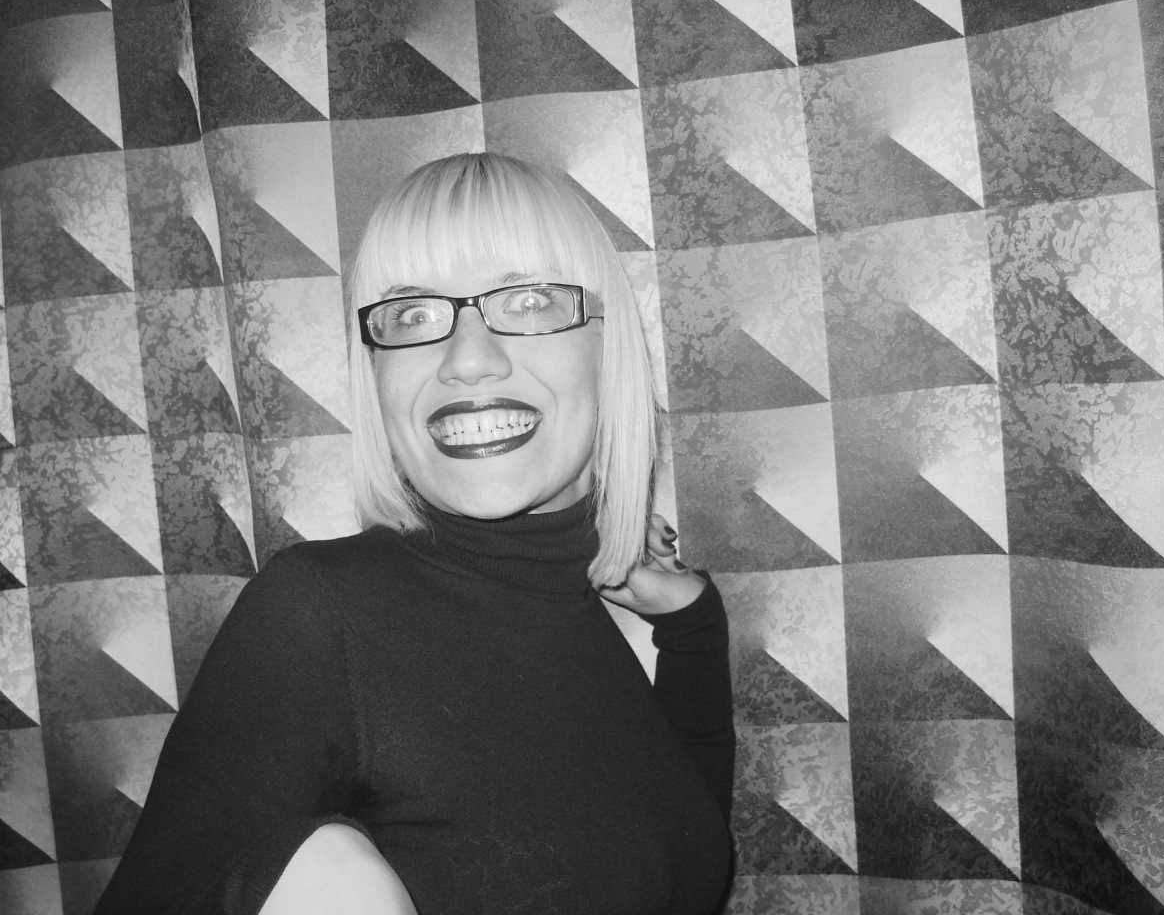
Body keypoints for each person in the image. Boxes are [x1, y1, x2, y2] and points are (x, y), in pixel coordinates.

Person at [93, 153, 735, 915]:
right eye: (414, 315)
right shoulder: (318, 615)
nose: (468, 360)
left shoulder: (588, 605)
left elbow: (676, 864)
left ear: (608, 346)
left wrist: (694, 628)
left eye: (529, 300)